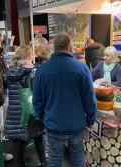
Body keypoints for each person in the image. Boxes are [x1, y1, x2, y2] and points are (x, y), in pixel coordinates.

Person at [33, 32, 97, 167]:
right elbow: (90, 99)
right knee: (79, 158)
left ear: (53, 48)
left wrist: (42, 118)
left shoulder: (42, 70)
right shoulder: (82, 68)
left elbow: (36, 100)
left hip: (52, 124)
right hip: (76, 125)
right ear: (71, 48)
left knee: (55, 161)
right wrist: (90, 120)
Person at [4, 45, 46, 167]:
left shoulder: (11, 70)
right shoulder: (31, 70)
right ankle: (43, 162)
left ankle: (20, 164)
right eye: (31, 54)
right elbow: (37, 91)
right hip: (30, 108)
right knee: (38, 135)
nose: (33, 56)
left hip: (15, 110)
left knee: (18, 139)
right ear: (26, 55)